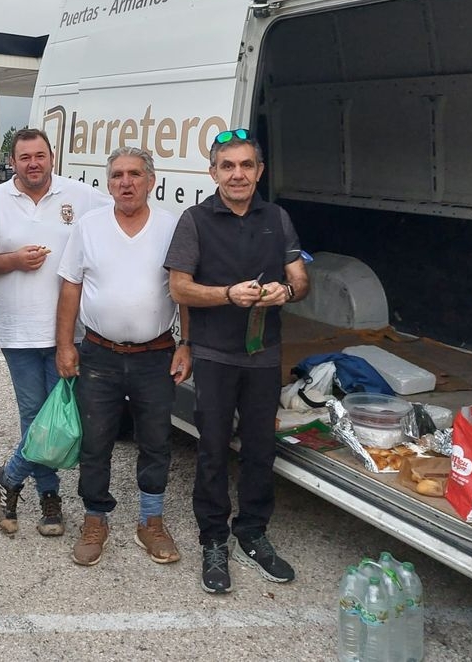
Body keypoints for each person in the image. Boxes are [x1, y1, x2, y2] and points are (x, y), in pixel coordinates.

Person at [164, 128, 310, 594]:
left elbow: (301, 279)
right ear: (213, 173)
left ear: (259, 171)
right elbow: (179, 287)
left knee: (260, 448)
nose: (238, 174)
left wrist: (286, 291)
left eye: (246, 165)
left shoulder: (278, 218)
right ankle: (213, 537)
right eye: (228, 166)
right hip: (214, 352)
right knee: (211, 447)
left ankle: (252, 531)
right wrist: (227, 294)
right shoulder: (195, 220)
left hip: (263, 353)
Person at [0, 128, 110, 538]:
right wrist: (12, 260)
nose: (33, 163)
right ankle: (49, 497)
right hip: (19, 334)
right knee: (35, 420)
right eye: (24, 157)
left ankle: (7, 478)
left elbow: (123, 213)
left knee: (59, 419)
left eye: (39, 155)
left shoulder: (80, 196)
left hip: (70, 334)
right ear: (13, 161)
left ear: (52, 156)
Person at [55, 147, 191, 567]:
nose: (126, 182)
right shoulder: (89, 227)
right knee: (96, 443)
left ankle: (150, 521)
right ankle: (95, 519)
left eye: (134, 174)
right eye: (117, 175)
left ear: (151, 180)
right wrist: (64, 345)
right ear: (108, 182)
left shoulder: (172, 227)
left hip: (156, 356)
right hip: (99, 355)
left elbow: (184, 289)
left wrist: (187, 343)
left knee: (156, 442)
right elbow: (70, 287)